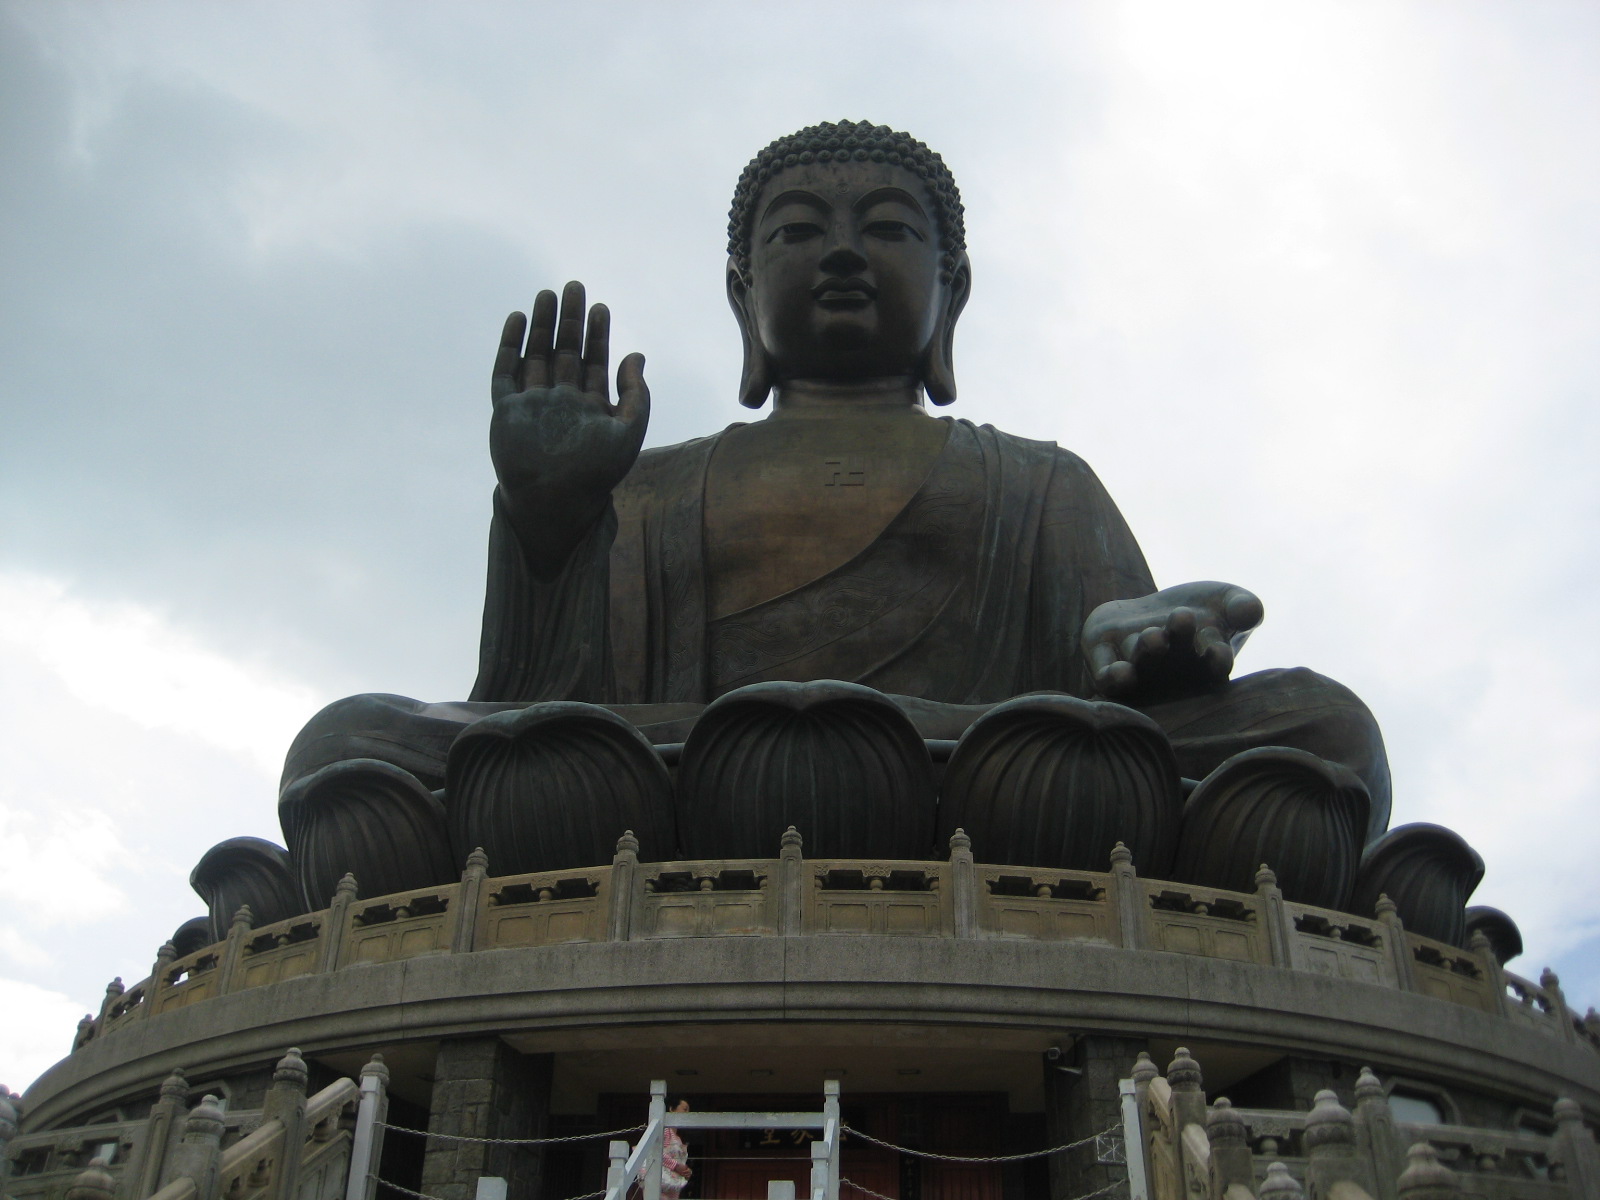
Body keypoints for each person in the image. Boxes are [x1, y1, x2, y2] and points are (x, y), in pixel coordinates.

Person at [281, 120, 1389, 860]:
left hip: (975, 777)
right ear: (741, 295)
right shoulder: (647, 488)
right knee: (347, 745)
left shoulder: (1037, 481)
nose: (846, 254)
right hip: (697, 774)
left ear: (950, 294)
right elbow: (545, 703)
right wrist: (551, 521)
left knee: (1325, 728)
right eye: (801, 232)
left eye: (890, 231)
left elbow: (1114, 695)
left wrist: (1143, 658)